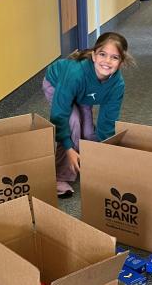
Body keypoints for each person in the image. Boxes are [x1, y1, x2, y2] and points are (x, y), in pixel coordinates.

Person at [43, 32, 135, 198]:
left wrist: (104, 153)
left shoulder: (117, 85)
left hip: (84, 93)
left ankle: (86, 161)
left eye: (114, 57)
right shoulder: (75, 73)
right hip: (57, 85)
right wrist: (69, 147)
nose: (107, 61)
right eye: (102, 54)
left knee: (88, 132)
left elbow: (108, 121)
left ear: (121, 62)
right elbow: (59, 113)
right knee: (74, 123)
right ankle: (59, 177)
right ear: (93, 56)